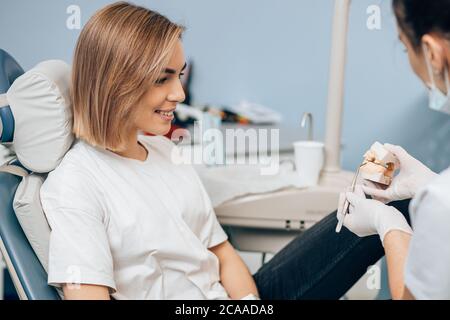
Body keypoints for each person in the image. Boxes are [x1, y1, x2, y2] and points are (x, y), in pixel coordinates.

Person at [41, 1, 408, 300]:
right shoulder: (76, 184)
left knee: (387, 205)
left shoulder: (165, 152)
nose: (179, 95)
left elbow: (221, 253)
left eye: (179, 75)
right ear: (116, 82)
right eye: (162, 78)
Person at [339, 0, 450, 300]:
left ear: (431, 53)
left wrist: (388, 223)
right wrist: (429, 183)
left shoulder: (441, 205)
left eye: (405, 47)